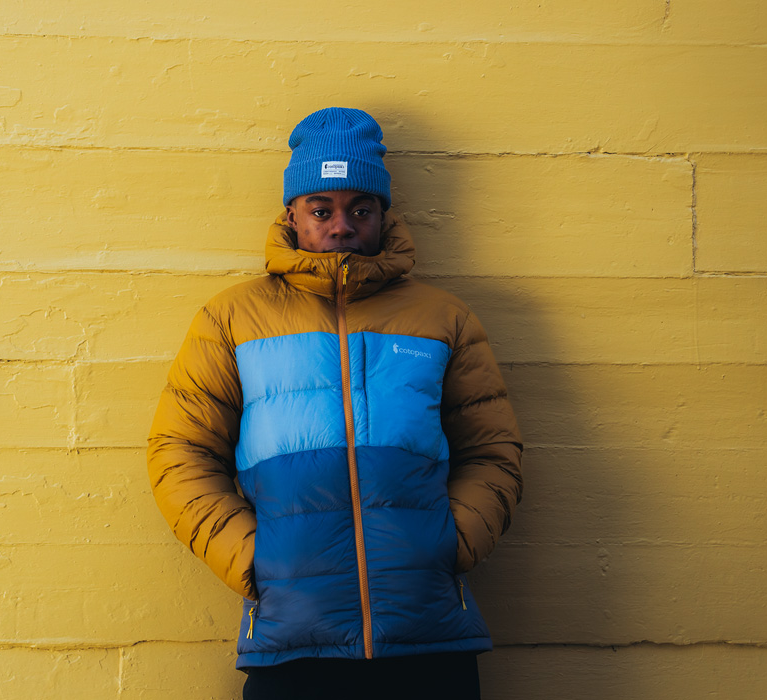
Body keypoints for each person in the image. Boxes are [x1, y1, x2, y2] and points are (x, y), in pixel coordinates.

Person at [147, 107, 523, 700]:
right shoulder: (232, 319)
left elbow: (493, 451)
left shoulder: (444, 320)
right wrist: (257, 562)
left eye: (360, 209)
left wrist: (449, 543)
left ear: (383, 214)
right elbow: (179, 454)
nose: (341, 225)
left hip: (429, 642)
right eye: (321, 209)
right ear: (293, 214)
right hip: (294, 643)